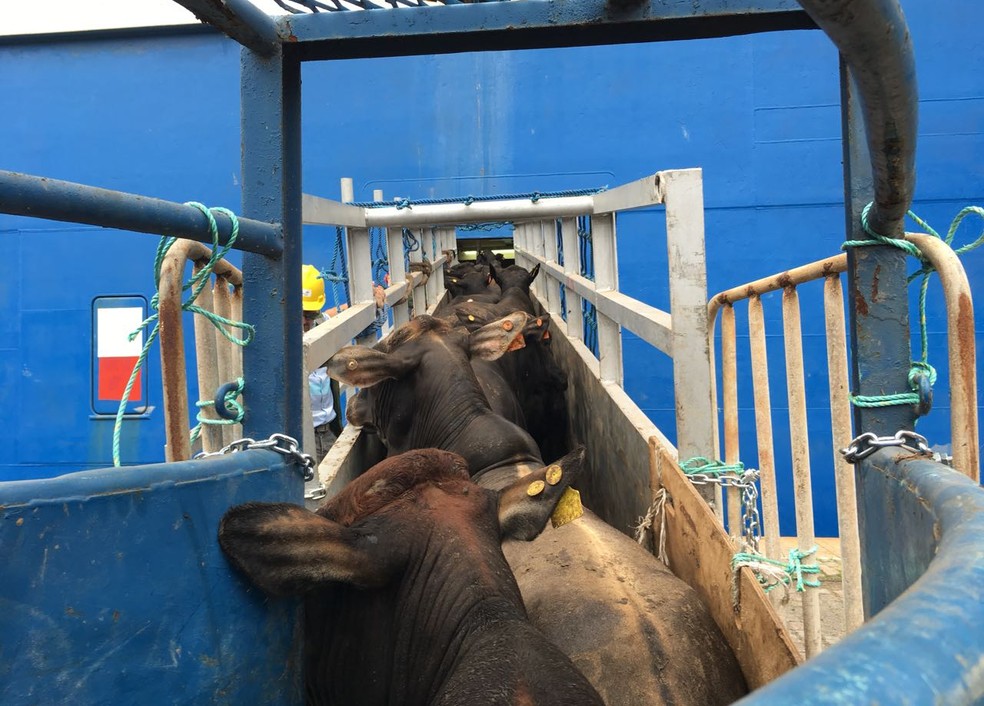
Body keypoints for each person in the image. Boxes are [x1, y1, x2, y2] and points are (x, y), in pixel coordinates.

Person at [302, 264, 339, 464]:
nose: (304, 320)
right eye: (298, 312)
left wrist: (370, 297)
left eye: (309, 314)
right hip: (302, 438)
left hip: (328, 432)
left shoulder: (317, 323)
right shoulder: (277, 336)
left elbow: (333, 316)